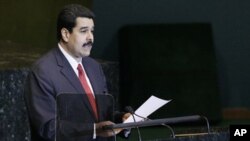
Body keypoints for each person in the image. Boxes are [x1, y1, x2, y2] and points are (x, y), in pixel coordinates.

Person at [24, 4, 129, 141]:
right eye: (84, 31)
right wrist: (94, 130)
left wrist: (122, 119)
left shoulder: (94, 67)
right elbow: (48, 127)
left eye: (92, 31)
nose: (90, 37)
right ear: (66, 34)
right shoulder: (43, 72)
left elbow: (99, 113)